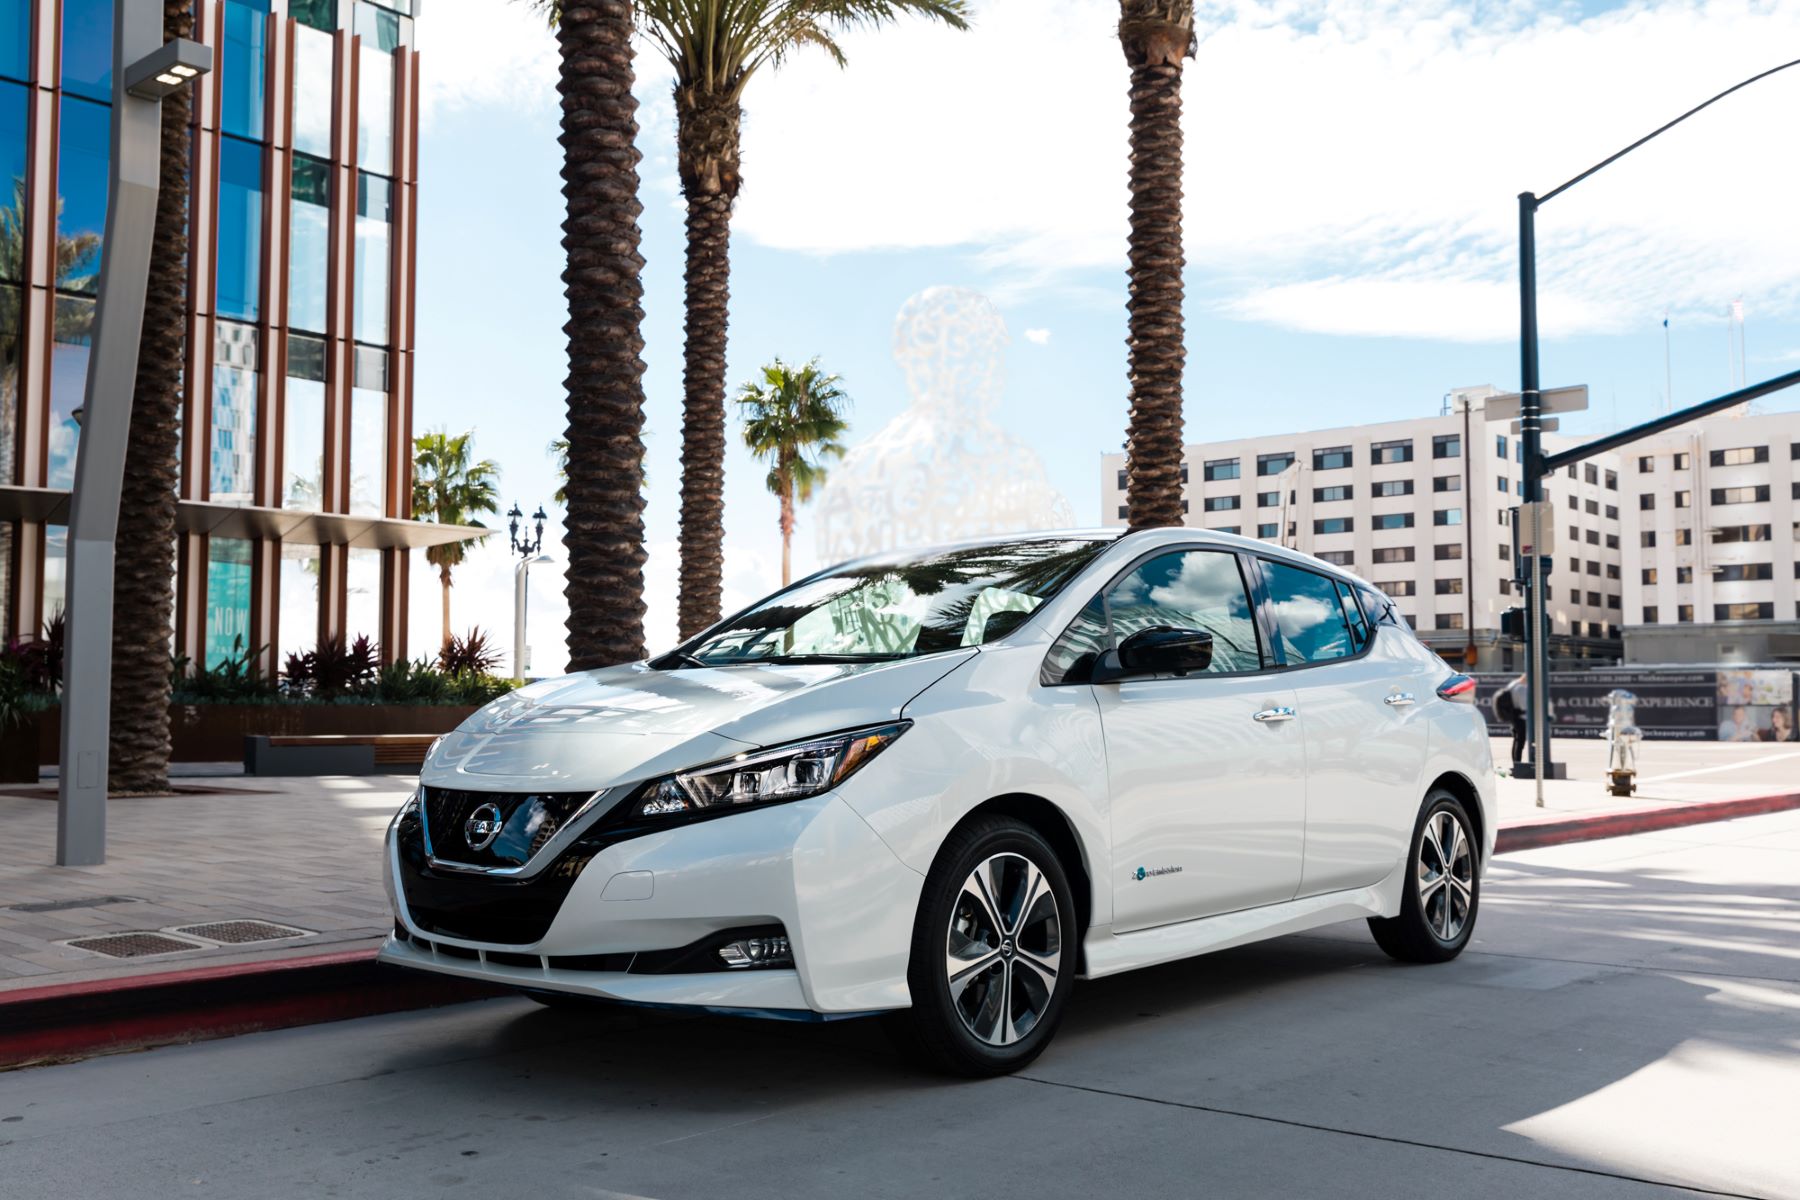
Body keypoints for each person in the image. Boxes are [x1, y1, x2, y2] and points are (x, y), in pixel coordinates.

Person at [1498, 674, 1529, 766]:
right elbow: (1524, 705)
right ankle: (1517, 763)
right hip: (1521, 717)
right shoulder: (1521, 688)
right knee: (1520, 741)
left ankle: (1516, 763)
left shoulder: (1513, 684)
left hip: (1513, 716)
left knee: (1516, 740)